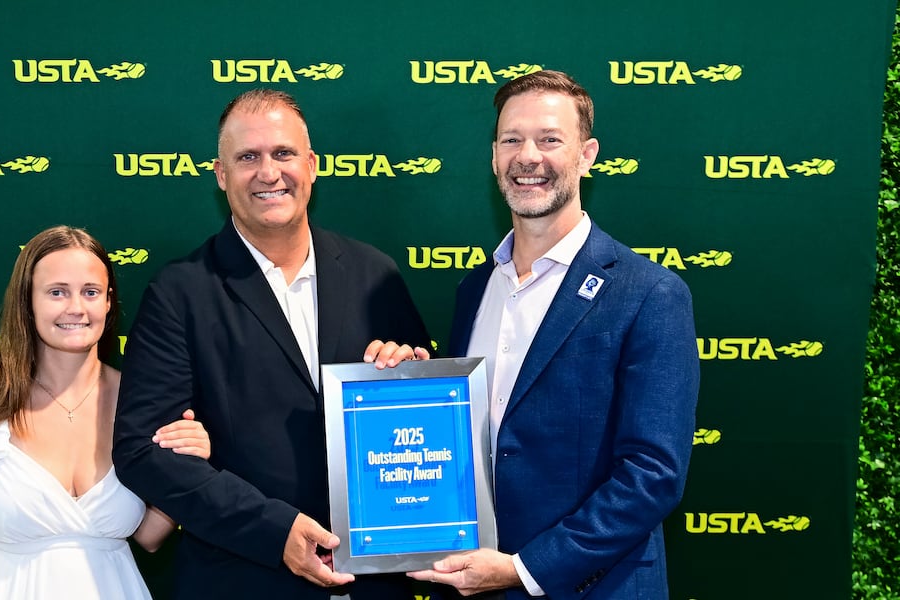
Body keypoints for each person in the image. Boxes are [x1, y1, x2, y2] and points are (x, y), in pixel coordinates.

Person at [112, 89, 433, 599]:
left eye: (283, 153)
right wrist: (274, 532)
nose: (268, 172)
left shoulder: (376, 276)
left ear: (312, 165)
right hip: (242, 580)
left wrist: (412, 381)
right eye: (248, 157)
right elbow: (142, 452)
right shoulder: (179, 292)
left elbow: (423, 428)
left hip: (378, 582)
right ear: (221, 175)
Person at [402, 70, 700, 598]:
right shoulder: (475, 289)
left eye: (549, 139)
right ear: (494, 156)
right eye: (511, 140)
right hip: (476, 583)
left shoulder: (650, 293)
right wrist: (408, 389)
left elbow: (652, 474)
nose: (528, 157)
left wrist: (524, 569)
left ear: (587, 155)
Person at [0, 225, 212, 600]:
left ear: (108, 302)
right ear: (27, 302)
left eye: (90, 292)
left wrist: (188, 466)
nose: (76, 308)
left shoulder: (142, 402)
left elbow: (149, 536)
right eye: (57, 292)